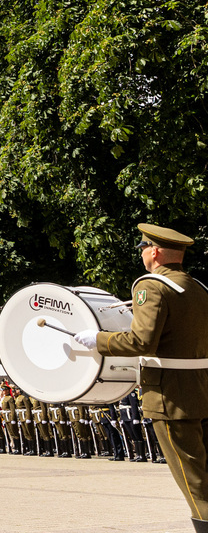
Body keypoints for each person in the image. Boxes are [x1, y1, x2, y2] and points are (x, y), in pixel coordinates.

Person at [74, 223, 208, 530]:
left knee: (194, 482)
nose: (143, 253)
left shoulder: (151, 286)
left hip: (169, 399)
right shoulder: (198, 288)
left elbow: (142, 341)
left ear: (155, 251)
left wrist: (100, 340)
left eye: (143, 247)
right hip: (201, 392)